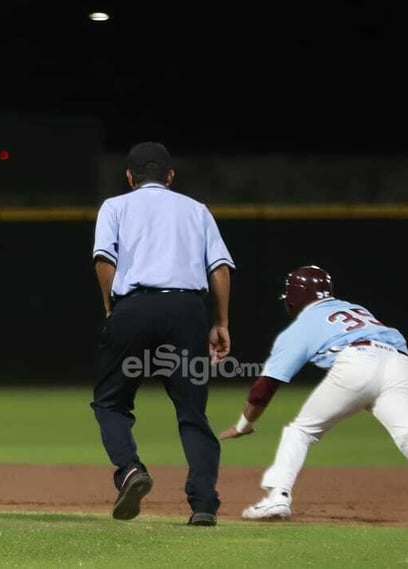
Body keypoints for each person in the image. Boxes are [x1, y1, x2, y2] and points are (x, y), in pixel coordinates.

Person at [219, 265, 408, 520]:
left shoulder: (305, 323)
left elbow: (264, 388)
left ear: (293, 297)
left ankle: (277, 498)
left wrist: (243, 425)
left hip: (358, 360)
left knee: (300, 432)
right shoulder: (356, 309)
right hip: (401, 363)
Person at [91, 141, 236, 526]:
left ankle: (129, 471)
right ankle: (204, 504)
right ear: (170, 177)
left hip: (134, 307)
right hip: (187, 310)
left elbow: (105, 258)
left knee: (110, 402)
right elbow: (219, 267)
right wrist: (220, 322)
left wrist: (111, 306)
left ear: (129, 177)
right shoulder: (196, 209)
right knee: (192, 412)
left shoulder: (115, 206)